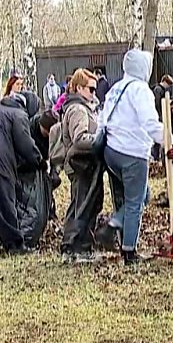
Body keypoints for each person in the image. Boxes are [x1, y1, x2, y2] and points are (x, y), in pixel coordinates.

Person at [95, 49, 172, 265]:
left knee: (141, 195)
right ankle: (129, 250)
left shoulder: (116, 88)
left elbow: (102, 119)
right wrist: (167, 139)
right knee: (134, 203)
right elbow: (149, 122)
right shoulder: (141, 90)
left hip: (111, 152)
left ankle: (116, 226)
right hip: (133, 154)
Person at [0, 91, 43, 254]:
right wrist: (39, 160)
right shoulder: (19, 115)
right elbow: (25, 145)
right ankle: (14, 245)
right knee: (5, 204)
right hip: (0, 163)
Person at [59, 69, 104, 262]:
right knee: (82, 206)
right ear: (78, 88)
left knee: (85, 204)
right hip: (81, 164)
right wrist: (102, 138)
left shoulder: (82, 107)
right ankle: (75, 247)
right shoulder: (78, 109)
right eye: (91, 89)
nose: (94, 93)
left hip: (85, 164)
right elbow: (80, 139)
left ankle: (78, 247)